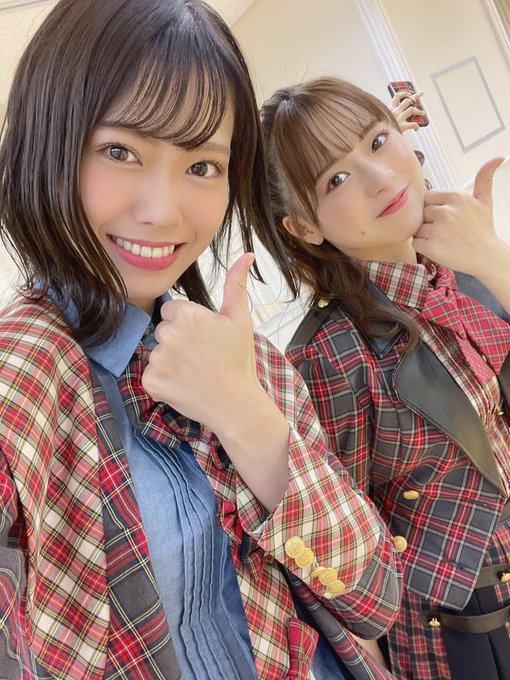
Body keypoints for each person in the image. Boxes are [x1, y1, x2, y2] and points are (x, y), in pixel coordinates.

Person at [0, 4, 403, 679]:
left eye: (203, 166)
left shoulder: (252, 361)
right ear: (49, 141)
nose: (164, 211)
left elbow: (374, 598)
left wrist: (243, 412)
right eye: (120, 151)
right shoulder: (23, 373)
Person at [258, 75, 510, 680]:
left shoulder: (465, 270)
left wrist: (496, 263)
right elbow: (338, 548)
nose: (378, 177)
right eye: (335, 179)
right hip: (462, 629)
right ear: (305, 228)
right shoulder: (329, 353)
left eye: (376, 140)